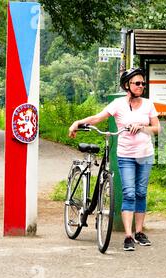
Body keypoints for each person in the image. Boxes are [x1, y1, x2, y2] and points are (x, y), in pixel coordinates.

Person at [68, 67, 160, 251]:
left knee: (141, 193)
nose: (141, 86)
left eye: (143, 83)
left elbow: (157, 128)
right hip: (126, 155)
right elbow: (98, 118)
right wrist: (78, 123)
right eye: (137, 83)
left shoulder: (149, 104)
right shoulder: (117, 104)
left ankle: (139, 232)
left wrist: (142, 126)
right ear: (127, 85)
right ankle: (128, 235)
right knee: (129, 193)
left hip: (145, 155)